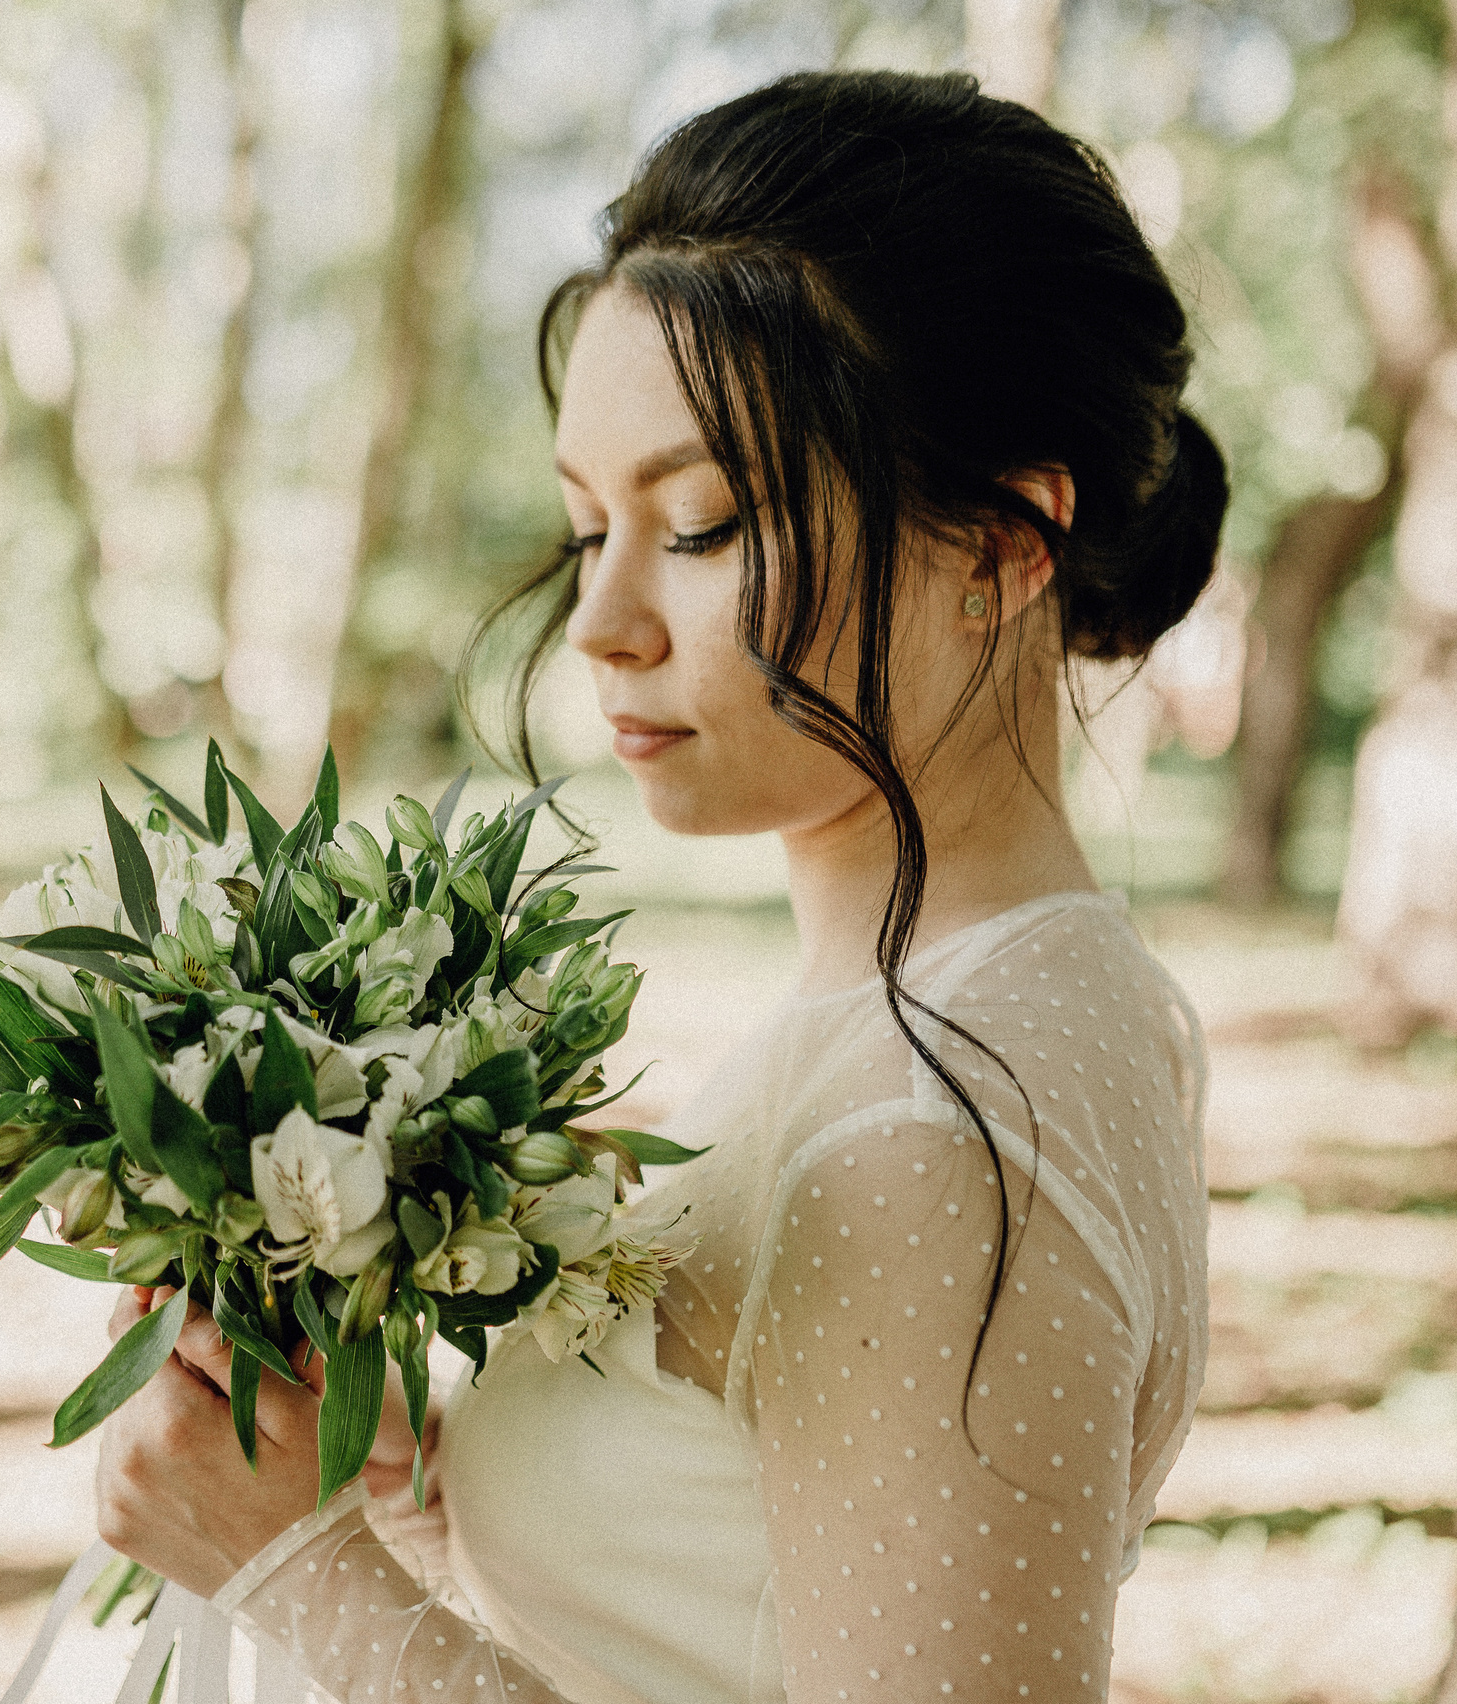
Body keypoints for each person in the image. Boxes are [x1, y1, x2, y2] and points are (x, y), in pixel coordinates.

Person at [87, 67, 1222, 1704]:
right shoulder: (1004, 998)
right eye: (586, 525)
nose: (604, 619)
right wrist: (415, 1477)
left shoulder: (939, 1137)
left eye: (701, 525)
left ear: (1001, 539)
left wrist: (297, 1577)